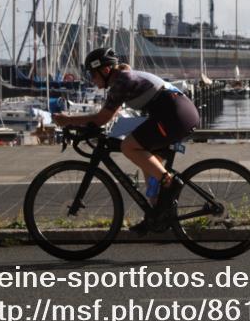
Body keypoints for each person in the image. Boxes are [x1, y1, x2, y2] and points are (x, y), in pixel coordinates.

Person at [52, 48, 201, 233]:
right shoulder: (122, 77)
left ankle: (169, 182)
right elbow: (107, 118)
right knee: (147, 159)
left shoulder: (122, 81)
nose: (92, 79)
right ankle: (156, 213)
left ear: (105, 71)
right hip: (176, 112)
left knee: (129, 146)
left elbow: (101, 119)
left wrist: (67, 120)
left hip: (175, 114)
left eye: (92, 74)